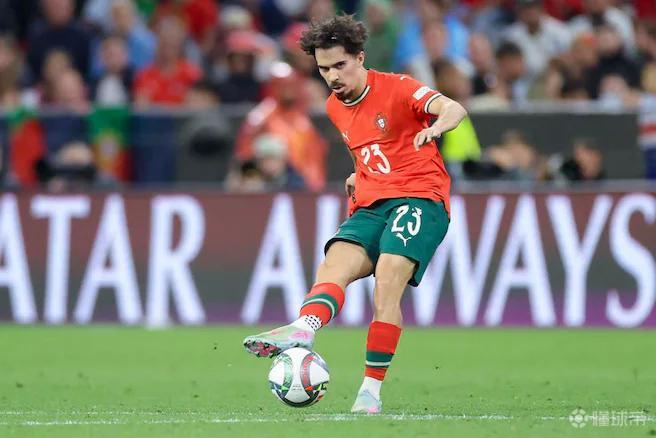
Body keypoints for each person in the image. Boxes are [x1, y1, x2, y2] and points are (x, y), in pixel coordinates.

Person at [242, 15, 467, 414]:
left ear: (360, 58)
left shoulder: (398, 87)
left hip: (419, 198)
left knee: (388, 278)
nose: (332, 76)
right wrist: (358, 173)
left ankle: (370, 392)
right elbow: (364, 148)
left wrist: (436, 129)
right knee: (334, 264)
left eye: (340, 65)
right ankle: (304, 329)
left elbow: (454, 108)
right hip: (373, 200)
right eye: (324, 69)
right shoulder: (334, 106)